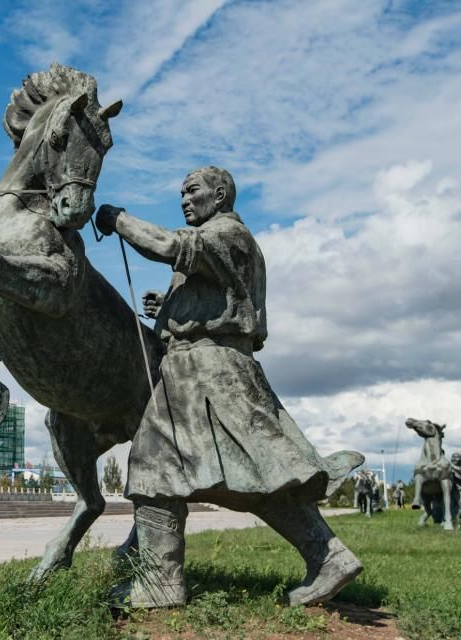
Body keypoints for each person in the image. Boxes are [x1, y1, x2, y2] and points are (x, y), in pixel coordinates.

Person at [95, 166, 364, 608]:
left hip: (207, 372)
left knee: (154, 465)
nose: (184, 200)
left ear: (220, 196)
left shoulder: (227, 234)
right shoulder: (224, 242)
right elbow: (223, 301)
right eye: (181, 193)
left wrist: (117, 219)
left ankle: (161, 583)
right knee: (253, 478)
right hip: (207, 369)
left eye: (192, 191)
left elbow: (168, 246)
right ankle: (329, 557)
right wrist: (171, 307)